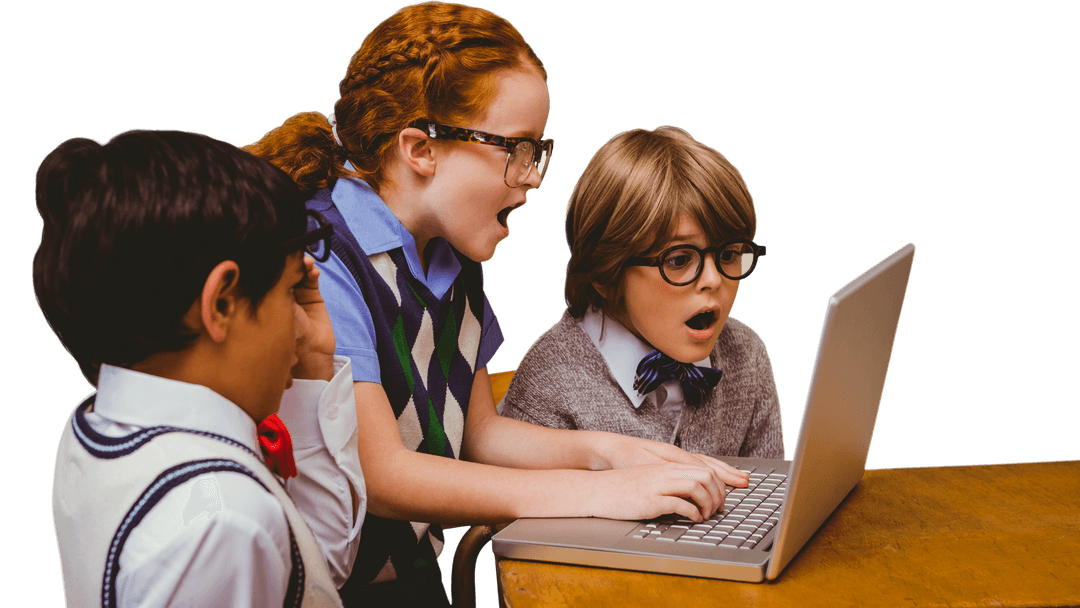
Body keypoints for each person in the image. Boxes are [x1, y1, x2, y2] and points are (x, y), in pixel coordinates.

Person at [246, 3, 748, 605]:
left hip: (405, 579)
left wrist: (609, 453)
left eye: (539, 150)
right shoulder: (324, 257)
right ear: (420, 149)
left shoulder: (453, 255)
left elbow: (478, 432)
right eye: (518, 149)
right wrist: (591, 495)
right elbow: (381, 476)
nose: (534, 176)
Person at [36, 129, 365, 607]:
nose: (300, 325)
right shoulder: (221, 520)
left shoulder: (101, 423)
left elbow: (312, 569)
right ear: (222, 303)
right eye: (290, 290)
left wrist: (313, 364)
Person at [501, 126, 785, 460]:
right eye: (679, 260)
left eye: (728, 255)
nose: (713, 279)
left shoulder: (746, 354)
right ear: (606, 274)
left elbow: (772, 496)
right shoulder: (547, 386)